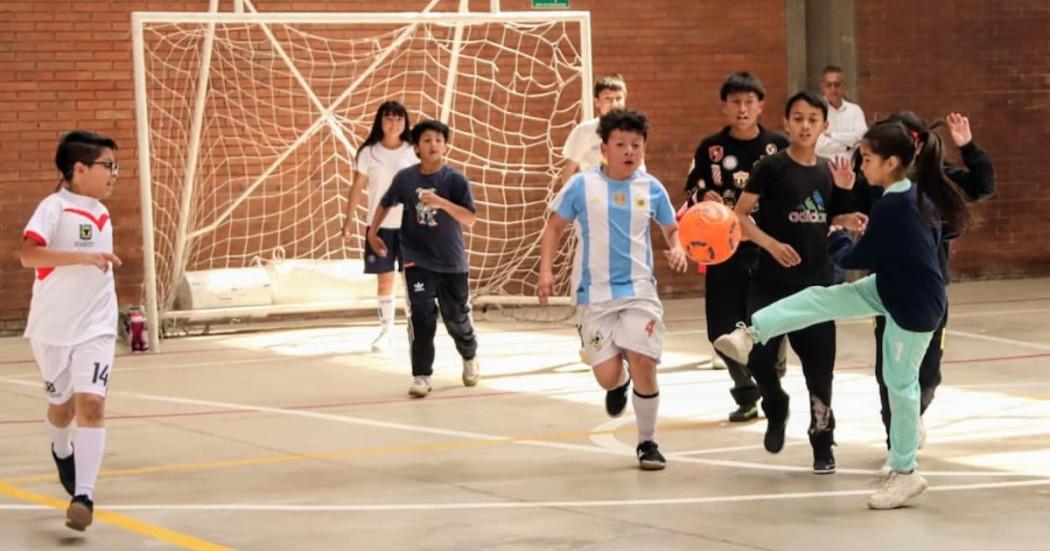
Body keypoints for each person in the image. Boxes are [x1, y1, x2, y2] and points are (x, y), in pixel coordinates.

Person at [717, 119, 972, 509]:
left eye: (867, 159)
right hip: (889, 287)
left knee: (901, 387)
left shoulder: (897, 206)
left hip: (914, 307)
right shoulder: (910, 196)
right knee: (820, 298)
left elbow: (856, 257)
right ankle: (751, 333)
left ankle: (905, 473)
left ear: (890, 163)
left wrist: (835, 234)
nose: (862, 165)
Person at [539, 108, 688, 470]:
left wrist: (679, 246)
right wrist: (545, 271)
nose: (629, 151)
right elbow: (554, 228)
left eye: (635, 145)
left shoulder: (651, 188)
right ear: (604, 148)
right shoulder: (582, 186)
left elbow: (671, 228)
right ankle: (618, 383)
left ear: (643, 148)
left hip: (639, 292)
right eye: (620, 144)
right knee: (607, 377)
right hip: (596, 296)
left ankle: (647, 442)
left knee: (644, 362)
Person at [730, 91, 867, 474]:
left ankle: (822, 439)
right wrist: (771, 245)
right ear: (787, 123)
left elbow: (830, 218)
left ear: (824, 127)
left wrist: (847, 218)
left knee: (819, 370)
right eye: (798, 118)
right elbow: (739, 217)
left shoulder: (829, 170)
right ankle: (774, 403)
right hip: (770, 282)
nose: (805, 125)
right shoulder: (770, 167)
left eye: (813, 119)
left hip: (817, 287)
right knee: (757, 355)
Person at [843, 111, 995, 447]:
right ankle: (896, 443)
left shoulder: (936, 180)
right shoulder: (875, 184)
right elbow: (850, 208)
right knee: (890, 371)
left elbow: (984, 187)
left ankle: (912, 419)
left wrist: (968, 146)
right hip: (887, 289)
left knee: (928, 373)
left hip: (929, 292)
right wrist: (843, 199)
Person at [20, 130, 123, 531]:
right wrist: (81, 257)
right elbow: (28, 255)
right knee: (61, 410)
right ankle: (61, 450)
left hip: (95, 326)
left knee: (92, 407)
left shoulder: (102, 211)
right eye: (108, 166)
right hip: (52, 329)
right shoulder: (54, 207)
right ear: (79, 169)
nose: (115, 174)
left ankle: (84, 496)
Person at [683, 71, 789, 422]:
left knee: (762, 322)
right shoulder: (710, 148)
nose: (742, 108)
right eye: (735, 102)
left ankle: (771, 373)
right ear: (725, 107)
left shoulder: (777, 146)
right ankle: (746, 391)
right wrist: (704, 197)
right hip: (722, 249)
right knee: (720, 330)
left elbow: (793, 190)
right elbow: (693, 190)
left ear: (760, 106)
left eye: (749, 102)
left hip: (765, 247)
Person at [367, 119, 479, 398]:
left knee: (456, 318)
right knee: (422, 317)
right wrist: (373, 232)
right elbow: (385, 202)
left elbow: (470, 219)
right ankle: (421, 375)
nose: (433, 145)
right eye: (427, 140)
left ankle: (469, 354)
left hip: (452, 262)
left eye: (439, 140)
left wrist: (441, 202)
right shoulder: (406, 178)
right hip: (416, 258)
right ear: (416, 147)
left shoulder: (454, 180)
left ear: (445, 146)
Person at [342, 101, 417, 352]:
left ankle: (416, 328)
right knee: (385, 280)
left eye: (399, 118)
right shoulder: (369, 152)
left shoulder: (414, 150)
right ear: (380, 121)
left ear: (405, 122)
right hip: (379, 228)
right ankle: (386, 331)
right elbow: (357, 187)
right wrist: (348, 221)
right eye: (388, 118)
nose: (393, 123)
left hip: (410, 226)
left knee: (413, 279)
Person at [558, 74, 639, 186]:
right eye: (608, 98)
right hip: (593, 197)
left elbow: (640, 168)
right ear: (597, 102)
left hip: (624, 196)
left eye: (618, 98)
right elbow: (568, 171)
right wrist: (571, 199)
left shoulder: (633, 130)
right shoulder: (584, 131)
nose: (614, 104)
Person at [815, 65, 868, 160]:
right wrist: (848, 146)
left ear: (843, 85)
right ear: (822, 87)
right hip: (823, 169)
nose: (833, 89)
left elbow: (862, 138)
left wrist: (831, 135)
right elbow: (817, 144)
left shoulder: (855, 110)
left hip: (852, 170)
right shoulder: (816, 110)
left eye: (837, 85)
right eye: (829, 85)